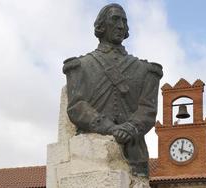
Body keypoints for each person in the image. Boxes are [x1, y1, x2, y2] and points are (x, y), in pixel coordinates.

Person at [63, 3, 163, 177]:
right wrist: (110, 128)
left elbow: (148, 109)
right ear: (101, 25)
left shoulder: (146, 71)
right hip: (91, 155)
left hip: (134, 156)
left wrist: (130, 128)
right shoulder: (80, 66)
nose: (121, 26)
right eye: (115, 19)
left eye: (124, 21)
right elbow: (77, 107)